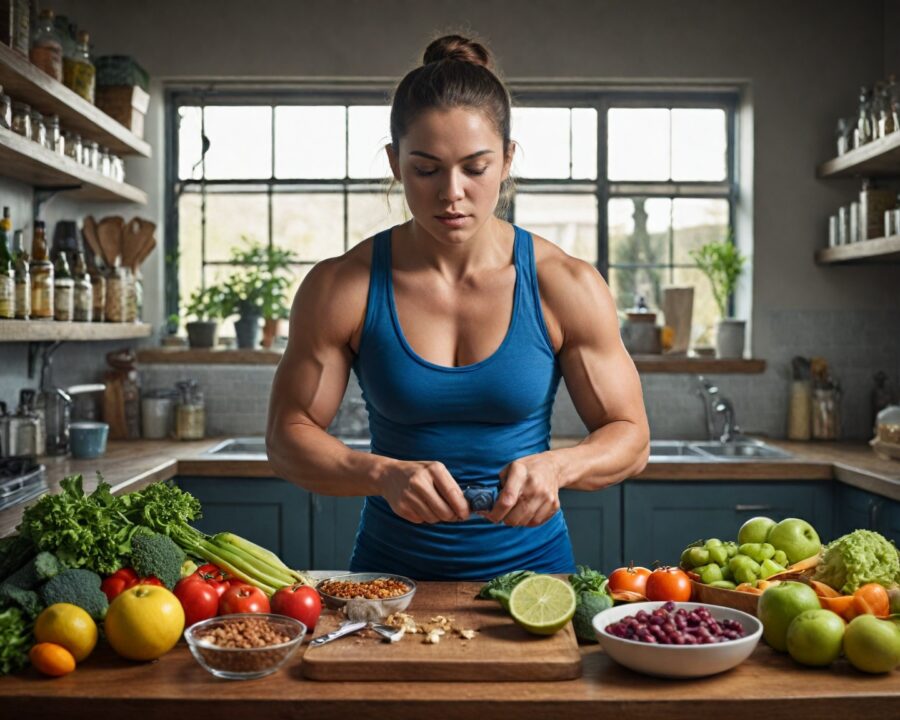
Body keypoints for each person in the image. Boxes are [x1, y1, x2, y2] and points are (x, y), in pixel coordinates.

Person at [267, 34, 649, 580]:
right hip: (386, 582)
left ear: (507, 160)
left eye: (475, 167)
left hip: (536, 582)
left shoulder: (563, 283)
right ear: (395, 163)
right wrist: (382, 475)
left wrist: (559, 466)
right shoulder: (342, 286)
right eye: (426, 169)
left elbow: (630, 436)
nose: (452, 192)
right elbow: (287, 438)